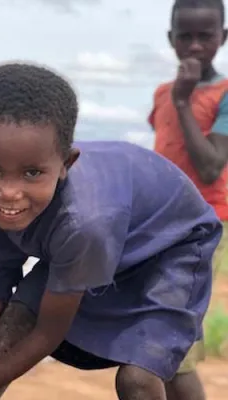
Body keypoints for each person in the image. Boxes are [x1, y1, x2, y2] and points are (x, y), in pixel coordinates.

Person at [0, 62, 221, 400]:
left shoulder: (82, 223)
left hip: (171, 246)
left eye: (31, 173)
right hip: (106, 238)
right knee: (16, 318)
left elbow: (49, 331)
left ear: (66, 165)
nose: (9, 192)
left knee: (138, 377)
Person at [149, 1, 228, 397]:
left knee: (172, 345)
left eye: (206, 36)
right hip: (161, 226)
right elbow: (162, 157)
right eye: (185, 36)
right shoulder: (162, 92)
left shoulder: (224, 94)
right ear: (171, 39)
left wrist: (184, 100)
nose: (195, 46)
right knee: (157, 346)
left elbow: (212, 166)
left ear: (223, 38)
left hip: (203, 225)